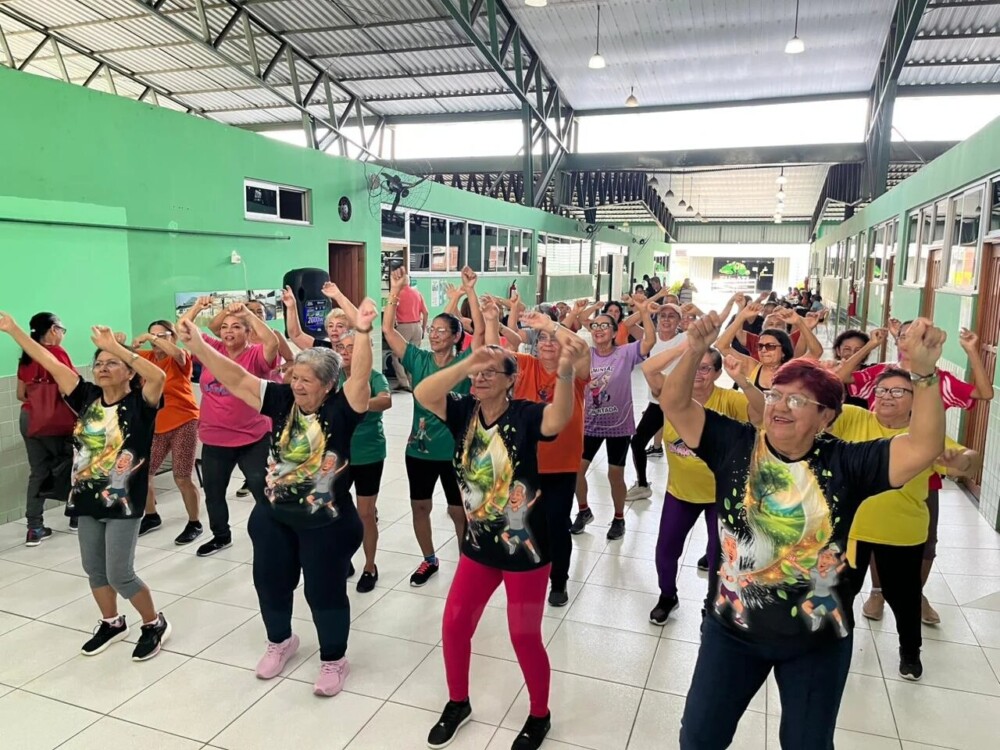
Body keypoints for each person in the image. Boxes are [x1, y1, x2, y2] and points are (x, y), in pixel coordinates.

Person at [661, 311, 947, 750]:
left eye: (797, 401)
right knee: (699, 738)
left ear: (826, 417)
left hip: (818, 639)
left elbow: (923, 446)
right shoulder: (734, 443)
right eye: (775, 395)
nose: (779, 407)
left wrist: (924, 376)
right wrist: (695, 349)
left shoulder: (847, 462)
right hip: (731, 631)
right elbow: (675, 404)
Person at [176, 294, 376, 697]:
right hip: (274, 514)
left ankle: (334, 659)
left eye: (306, 380)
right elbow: (236, 378)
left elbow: (360, 375)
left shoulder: (343, 408)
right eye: (294, 376)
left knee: (323, 591)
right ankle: (280, 640)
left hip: (326, 521)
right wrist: (198, 346)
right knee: (269, 582)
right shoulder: (281, 399)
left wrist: (364, 332)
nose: (296, 384)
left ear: (328, 385)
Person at [413, 343, 580, 750]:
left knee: (523, 636)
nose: (481, 377)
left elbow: (559, 417)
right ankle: (458, 702)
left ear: (511, 380)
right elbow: (423, 393)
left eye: (491, 371)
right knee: (454, 625)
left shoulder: (525, 415)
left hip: (525, 551)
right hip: (478, 546)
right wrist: (468, 363)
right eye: (478, 371)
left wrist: (565, 372)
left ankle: (539, 715)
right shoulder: (462, 411)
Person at [1, 313, 172, 661]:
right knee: (94, 569)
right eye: (99, 363)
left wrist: (116, 347)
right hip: (86, 498)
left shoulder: (141, 402)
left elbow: (159, 375)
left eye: (113, 363)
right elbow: (48, 360)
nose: (103, 368)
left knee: (120, 573)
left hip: (124, 502)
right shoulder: (86, 397)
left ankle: (153, 623)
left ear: (129, 371)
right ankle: (112, 622)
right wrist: (14, 330)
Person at [836, 320, 994, 624]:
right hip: (881, 463)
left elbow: (984, 394)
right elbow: (839, 378)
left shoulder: (939, 379)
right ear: (898, 340)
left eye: (921, 336)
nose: (912, 341)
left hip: (926, 468)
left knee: (926, 542)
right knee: (873, 532)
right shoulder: (883, 373)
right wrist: (871, 345)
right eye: (906, 336)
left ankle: (915, 593)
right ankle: (877, 591)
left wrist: (973, 351)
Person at [829, 369, 978, 681]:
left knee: (905, 597)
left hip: (901, 533)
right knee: (839, 594)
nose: (887, 397)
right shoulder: (854, 418)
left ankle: (910, 652)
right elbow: (824, 411)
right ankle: (834, 650)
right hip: (850, 532)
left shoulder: (924, 438)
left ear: (914, 401)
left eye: (898, 392)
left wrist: (962, 460)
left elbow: (968, 458)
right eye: (882, 390)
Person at [640, 347, 756, 624]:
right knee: (666, 550)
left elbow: (761, 413)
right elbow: (648, 369)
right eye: (694, 366)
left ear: (717, 373)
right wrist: (689, 347)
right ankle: (668, 596)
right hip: (680, 493)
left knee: (719, 557)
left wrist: (743, 381)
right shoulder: (673, 395)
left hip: (722, 496)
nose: (698, 374)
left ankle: (712, 605)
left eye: (705, 368)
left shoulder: (729, 400)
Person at [383, 266, 482, 587]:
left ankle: (467, 564)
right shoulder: (418, 359)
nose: (435, 334)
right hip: (419, 450)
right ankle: (429, 559)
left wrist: (470, 291)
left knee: (458, 512)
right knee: (420, 507)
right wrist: (395, 290)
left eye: (442, 330)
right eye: (433, 329)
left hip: (456, 452)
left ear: (456, 337)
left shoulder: (463, 363)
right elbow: (388, 330)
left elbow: (481, 335)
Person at [486, 301, 590, 608]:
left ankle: (559, 580)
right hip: (525, 464)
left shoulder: (574, 372)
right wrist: (491, 320)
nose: (548, 344)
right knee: (527, 524)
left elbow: (583, 348)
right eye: (542, 339)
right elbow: (493, 356)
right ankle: (532, 575)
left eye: (554, 340)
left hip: (562, 464)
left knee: (557, 524)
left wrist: (550, 325)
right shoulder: (525, 367)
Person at [180, 298, 278, 557]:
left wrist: (247, 312)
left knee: (263, 490)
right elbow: (185, 330)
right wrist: (197, 308)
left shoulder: (256, 355)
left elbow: (272, 343)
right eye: (224, 327)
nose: (228, 331)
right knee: (213, 493)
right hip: (215, 437)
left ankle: (274, 534)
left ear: (248, 332)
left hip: (253, 436)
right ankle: (221, 536)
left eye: (236, 327)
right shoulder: (213, 349)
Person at [571, 297, 655, 540]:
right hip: (589, 424)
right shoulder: (585, 354)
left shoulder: (625, 353)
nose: (598, 329)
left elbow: (649, 341)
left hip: (619, 426)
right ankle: (583, 511)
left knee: (615, 475)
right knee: (576, 470)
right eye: (595, 326)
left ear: (615, 331)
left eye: (604, 326)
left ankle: (619, 518)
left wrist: (644, 312)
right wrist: (577, 313)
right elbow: (564, 337)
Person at [132, 320, 203, 545]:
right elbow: (126, 358)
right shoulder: (148, 358)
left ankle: (194, 523)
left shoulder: (180, 357)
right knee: (143, 473)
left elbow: (179, 354)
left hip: (184, 421)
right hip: (156, 426)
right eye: (153, 335)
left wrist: (151, 337)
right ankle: (151, 516)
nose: (156, 341)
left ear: (173, 337)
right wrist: (123, 344)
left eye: (162, 335)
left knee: (182, 476)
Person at [334, 331, 391, 593]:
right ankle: (343, 558)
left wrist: (357, 403)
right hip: (338, 455)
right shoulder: (333, 376)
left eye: (352, 347)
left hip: (369, 453)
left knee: (366, 513)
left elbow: (386, 400)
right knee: (335, 510)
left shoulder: (374, 377)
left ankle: (370, 566)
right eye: (341, 347)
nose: (346, 352)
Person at [16, 312, 76, 545]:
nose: (62, 334)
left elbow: (21, 394)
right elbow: (69, 388)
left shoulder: (26, 356)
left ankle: (34, 528)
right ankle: (76, 517)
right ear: (53, 329)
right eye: (62, 330)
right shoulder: (57, 353)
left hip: (29, 419)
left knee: (38, 472)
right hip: (56, 420)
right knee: (73, 467)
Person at [626, 304, 687, 501]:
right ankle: (642, 485)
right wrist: (645, 308)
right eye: (663, 316)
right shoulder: (650, 339)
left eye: (672, 316)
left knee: (685, 447)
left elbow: (712, 330)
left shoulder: (684, 339)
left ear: (679, 321)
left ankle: (689, 488)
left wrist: (694, 312)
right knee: (637, 442)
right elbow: (628, 325)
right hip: (657, 403)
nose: (666, 319)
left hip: (680, 403)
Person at [390, 278, 429, 391]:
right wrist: (423, 328)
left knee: (396, 356)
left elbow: (391, 311)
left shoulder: (397, 294)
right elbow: (426, 312)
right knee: (414, 356)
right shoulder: (418, 293)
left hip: (403, 327)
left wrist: (391, 327)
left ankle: (403, 382)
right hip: (417, 327)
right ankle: (413, 382)